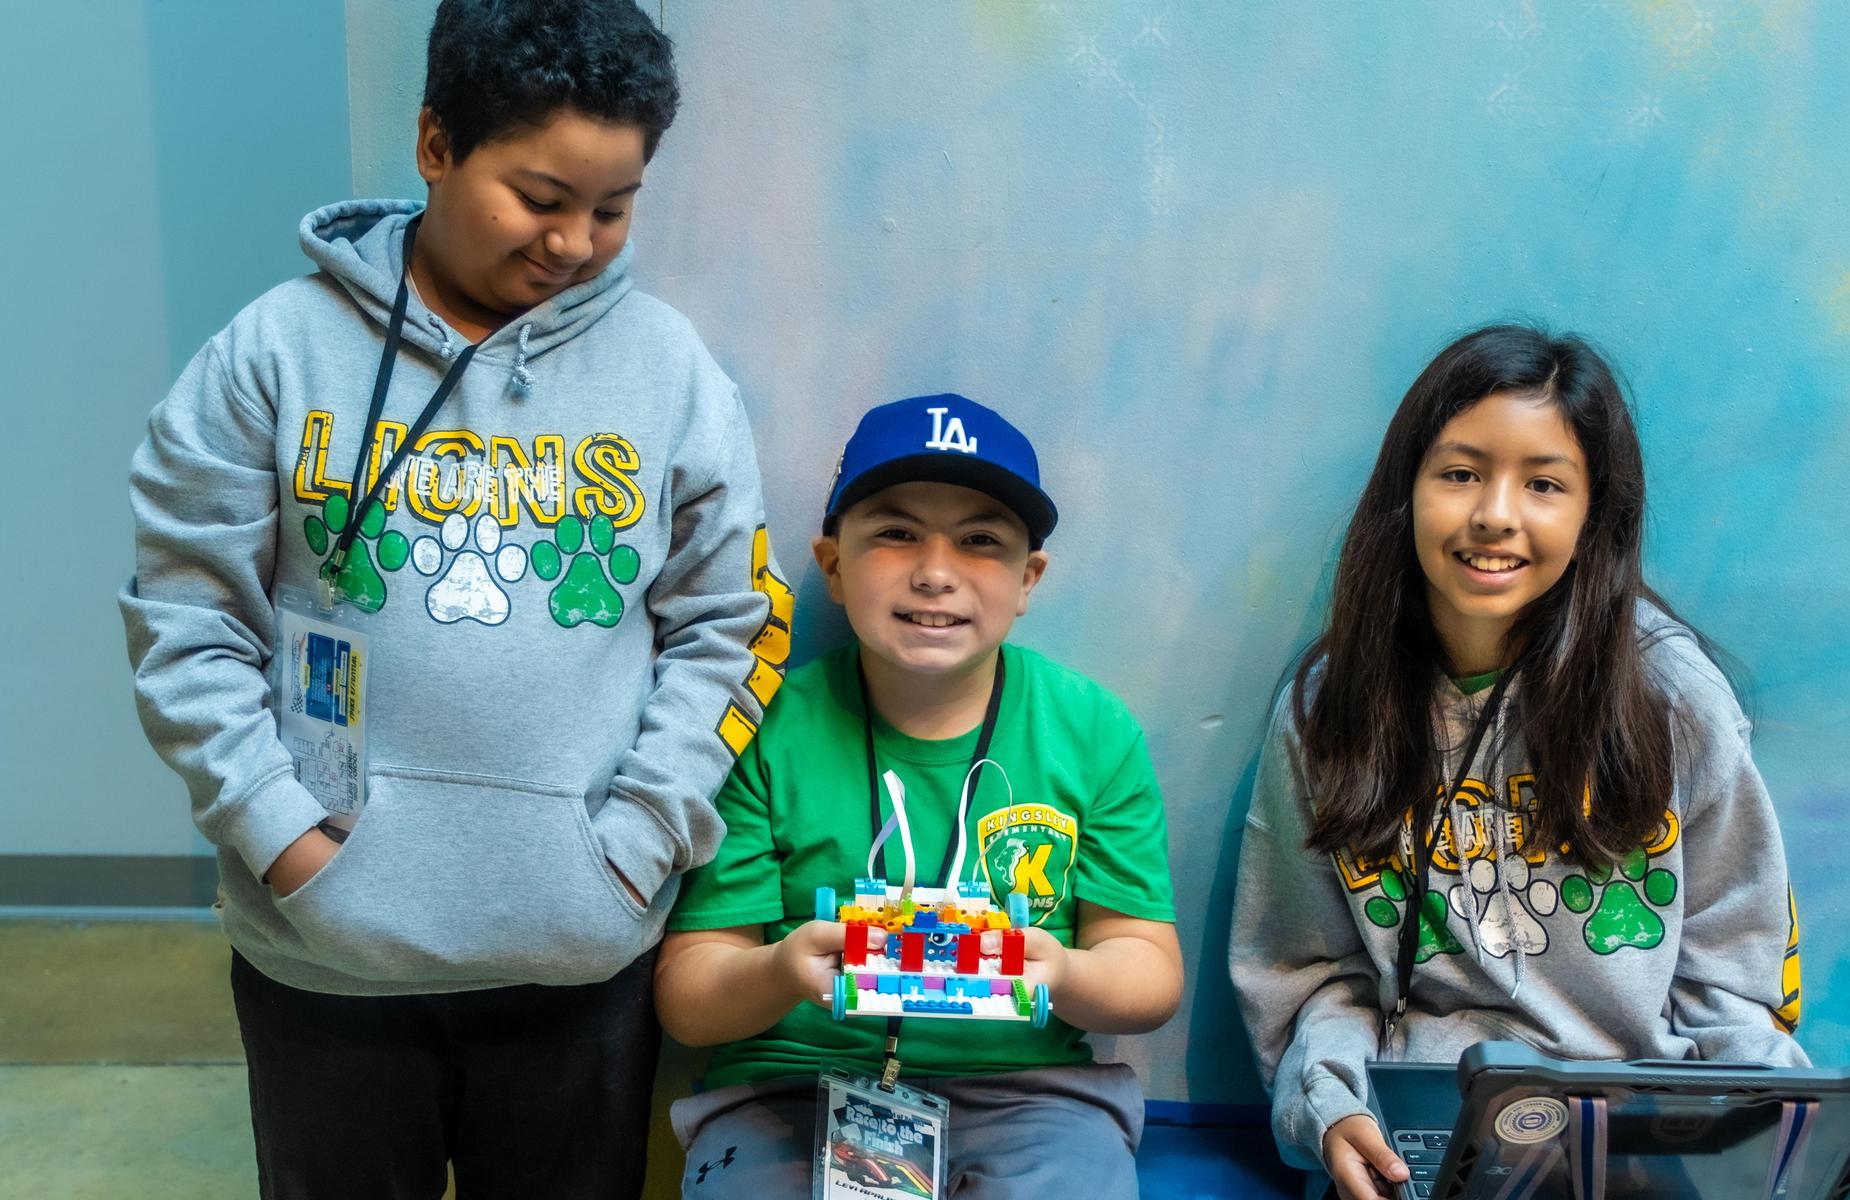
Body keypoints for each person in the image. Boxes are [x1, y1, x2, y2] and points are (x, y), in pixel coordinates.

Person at [119, 2, 792, 1196]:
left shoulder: (671, 375)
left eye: (613, 207)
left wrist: (635, 845)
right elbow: (188, 623)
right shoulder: (273, 354)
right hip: (323, 958)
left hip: (576, 956)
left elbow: (727, 629)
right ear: (436, 144)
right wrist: (280, 840)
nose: (575, 241)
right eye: (540, 198)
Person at [1229, 325, 1806, 1200]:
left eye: (1543, 483)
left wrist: (1775, 1140)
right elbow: (1309, 974)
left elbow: (1733, 977)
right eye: (1461, 473)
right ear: (1405, 492)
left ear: (1594, 514)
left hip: (1636, 1126)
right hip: (1423, 1121)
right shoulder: (1328, 711)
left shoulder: (1673, 700)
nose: (1496, 514)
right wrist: (1333, 1107)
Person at [654, 394, 1183, 1198]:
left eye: (981, 541)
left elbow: (1148, 971)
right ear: (833, 565)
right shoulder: (762, 729)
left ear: (1028, 578)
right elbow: (690, 999)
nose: (936, 573)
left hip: (1035, 1099)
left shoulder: (1094, 733)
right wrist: (782, 970)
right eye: (896, 533)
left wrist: (1063, 971)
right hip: (790, 1088)